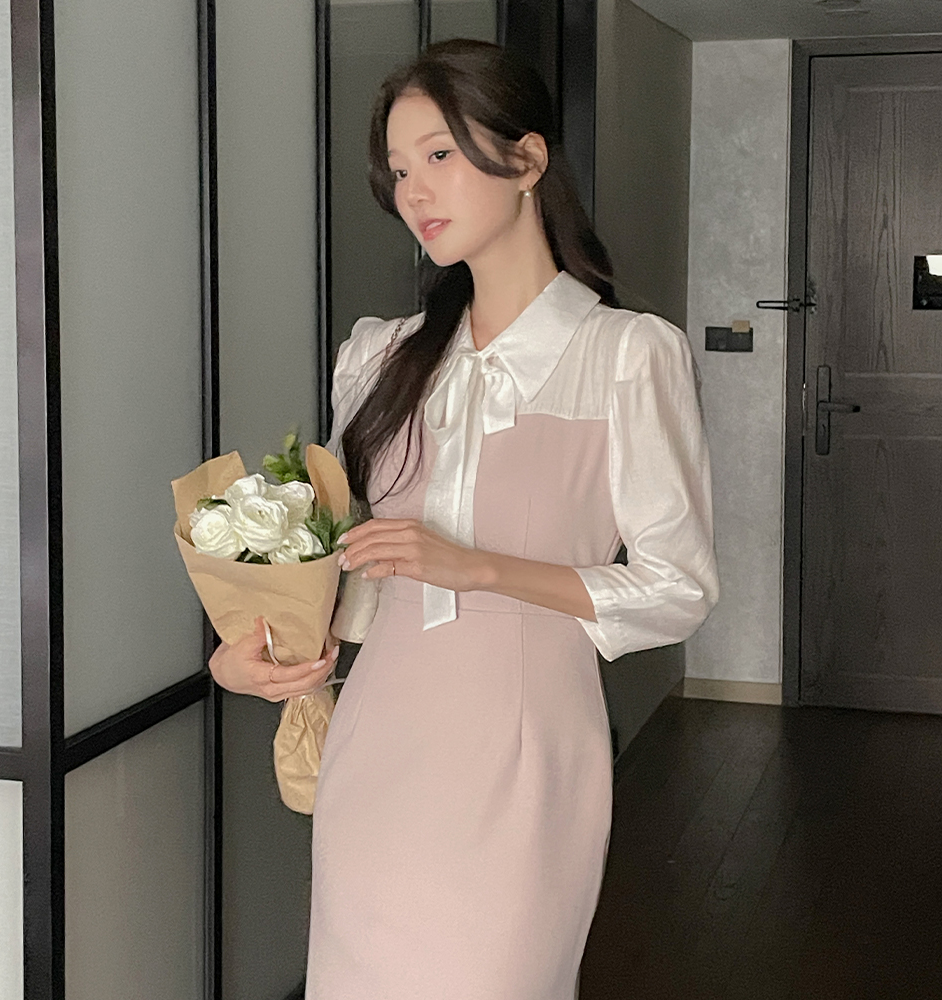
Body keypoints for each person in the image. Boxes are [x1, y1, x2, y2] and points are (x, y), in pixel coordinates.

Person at [209, 38, 718, 1000]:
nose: (414, 191)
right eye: (398, 170)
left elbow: (676, 590)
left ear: (526, 160)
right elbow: (342, 574)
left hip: (527, 755)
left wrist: (481, 568)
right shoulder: (377, 358)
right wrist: (254, 654)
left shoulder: (627, 355)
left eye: (439, 155)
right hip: (377, 745)